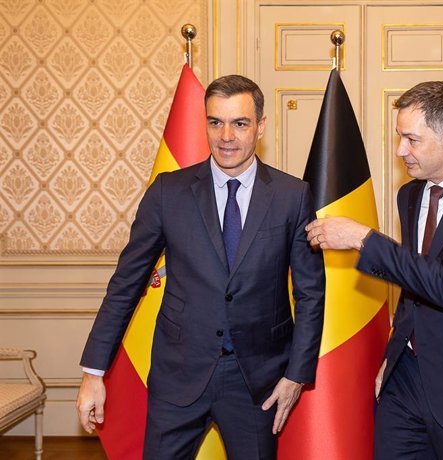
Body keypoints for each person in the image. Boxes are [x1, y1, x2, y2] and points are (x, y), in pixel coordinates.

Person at [76, 75, 325, 459]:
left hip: (257, 381)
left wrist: (296, 374)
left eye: (240, 123)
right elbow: (126, 284)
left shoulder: (293, 196)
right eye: (215, 122)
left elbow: (310, 293)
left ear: (260, 126)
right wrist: (93, 373)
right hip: (178, 376)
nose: (226, 136)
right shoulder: (167, 192)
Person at [306, 81, 443, 459]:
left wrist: (363, 238)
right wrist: (393, 358)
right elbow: (414, 282)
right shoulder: (409, 195)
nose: (400, 151)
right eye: (399, 138)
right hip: (406, 381)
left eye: (411, 140)